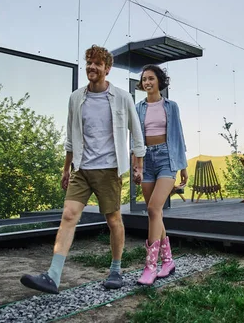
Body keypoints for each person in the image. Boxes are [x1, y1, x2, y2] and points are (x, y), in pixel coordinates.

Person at [20, 45, 145, 294]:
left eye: (97, 64)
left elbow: (136, 133)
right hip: (81, 168)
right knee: (68, 215)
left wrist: (138, 165)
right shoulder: (76, 98)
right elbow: (70, 137)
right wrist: (66, 168)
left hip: (109, 169)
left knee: (113, 220)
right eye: (89, 62)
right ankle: (53, 276)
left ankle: (116, 270)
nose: (91, 67)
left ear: (107, 69)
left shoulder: (121, 97)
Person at [133, 64, 188, 286]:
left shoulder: (171, 106)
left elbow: (179, 135)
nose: (147, 82)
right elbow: (136, 139)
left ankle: (150, 266)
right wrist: (136, 165)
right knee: (155, 215)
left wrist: (183, 166)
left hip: (167, 157)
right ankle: (168, 261)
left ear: (159, 81)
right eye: (144, 79)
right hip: (146, 159)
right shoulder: (138, 108)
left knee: (154, 209)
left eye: (151, 79)